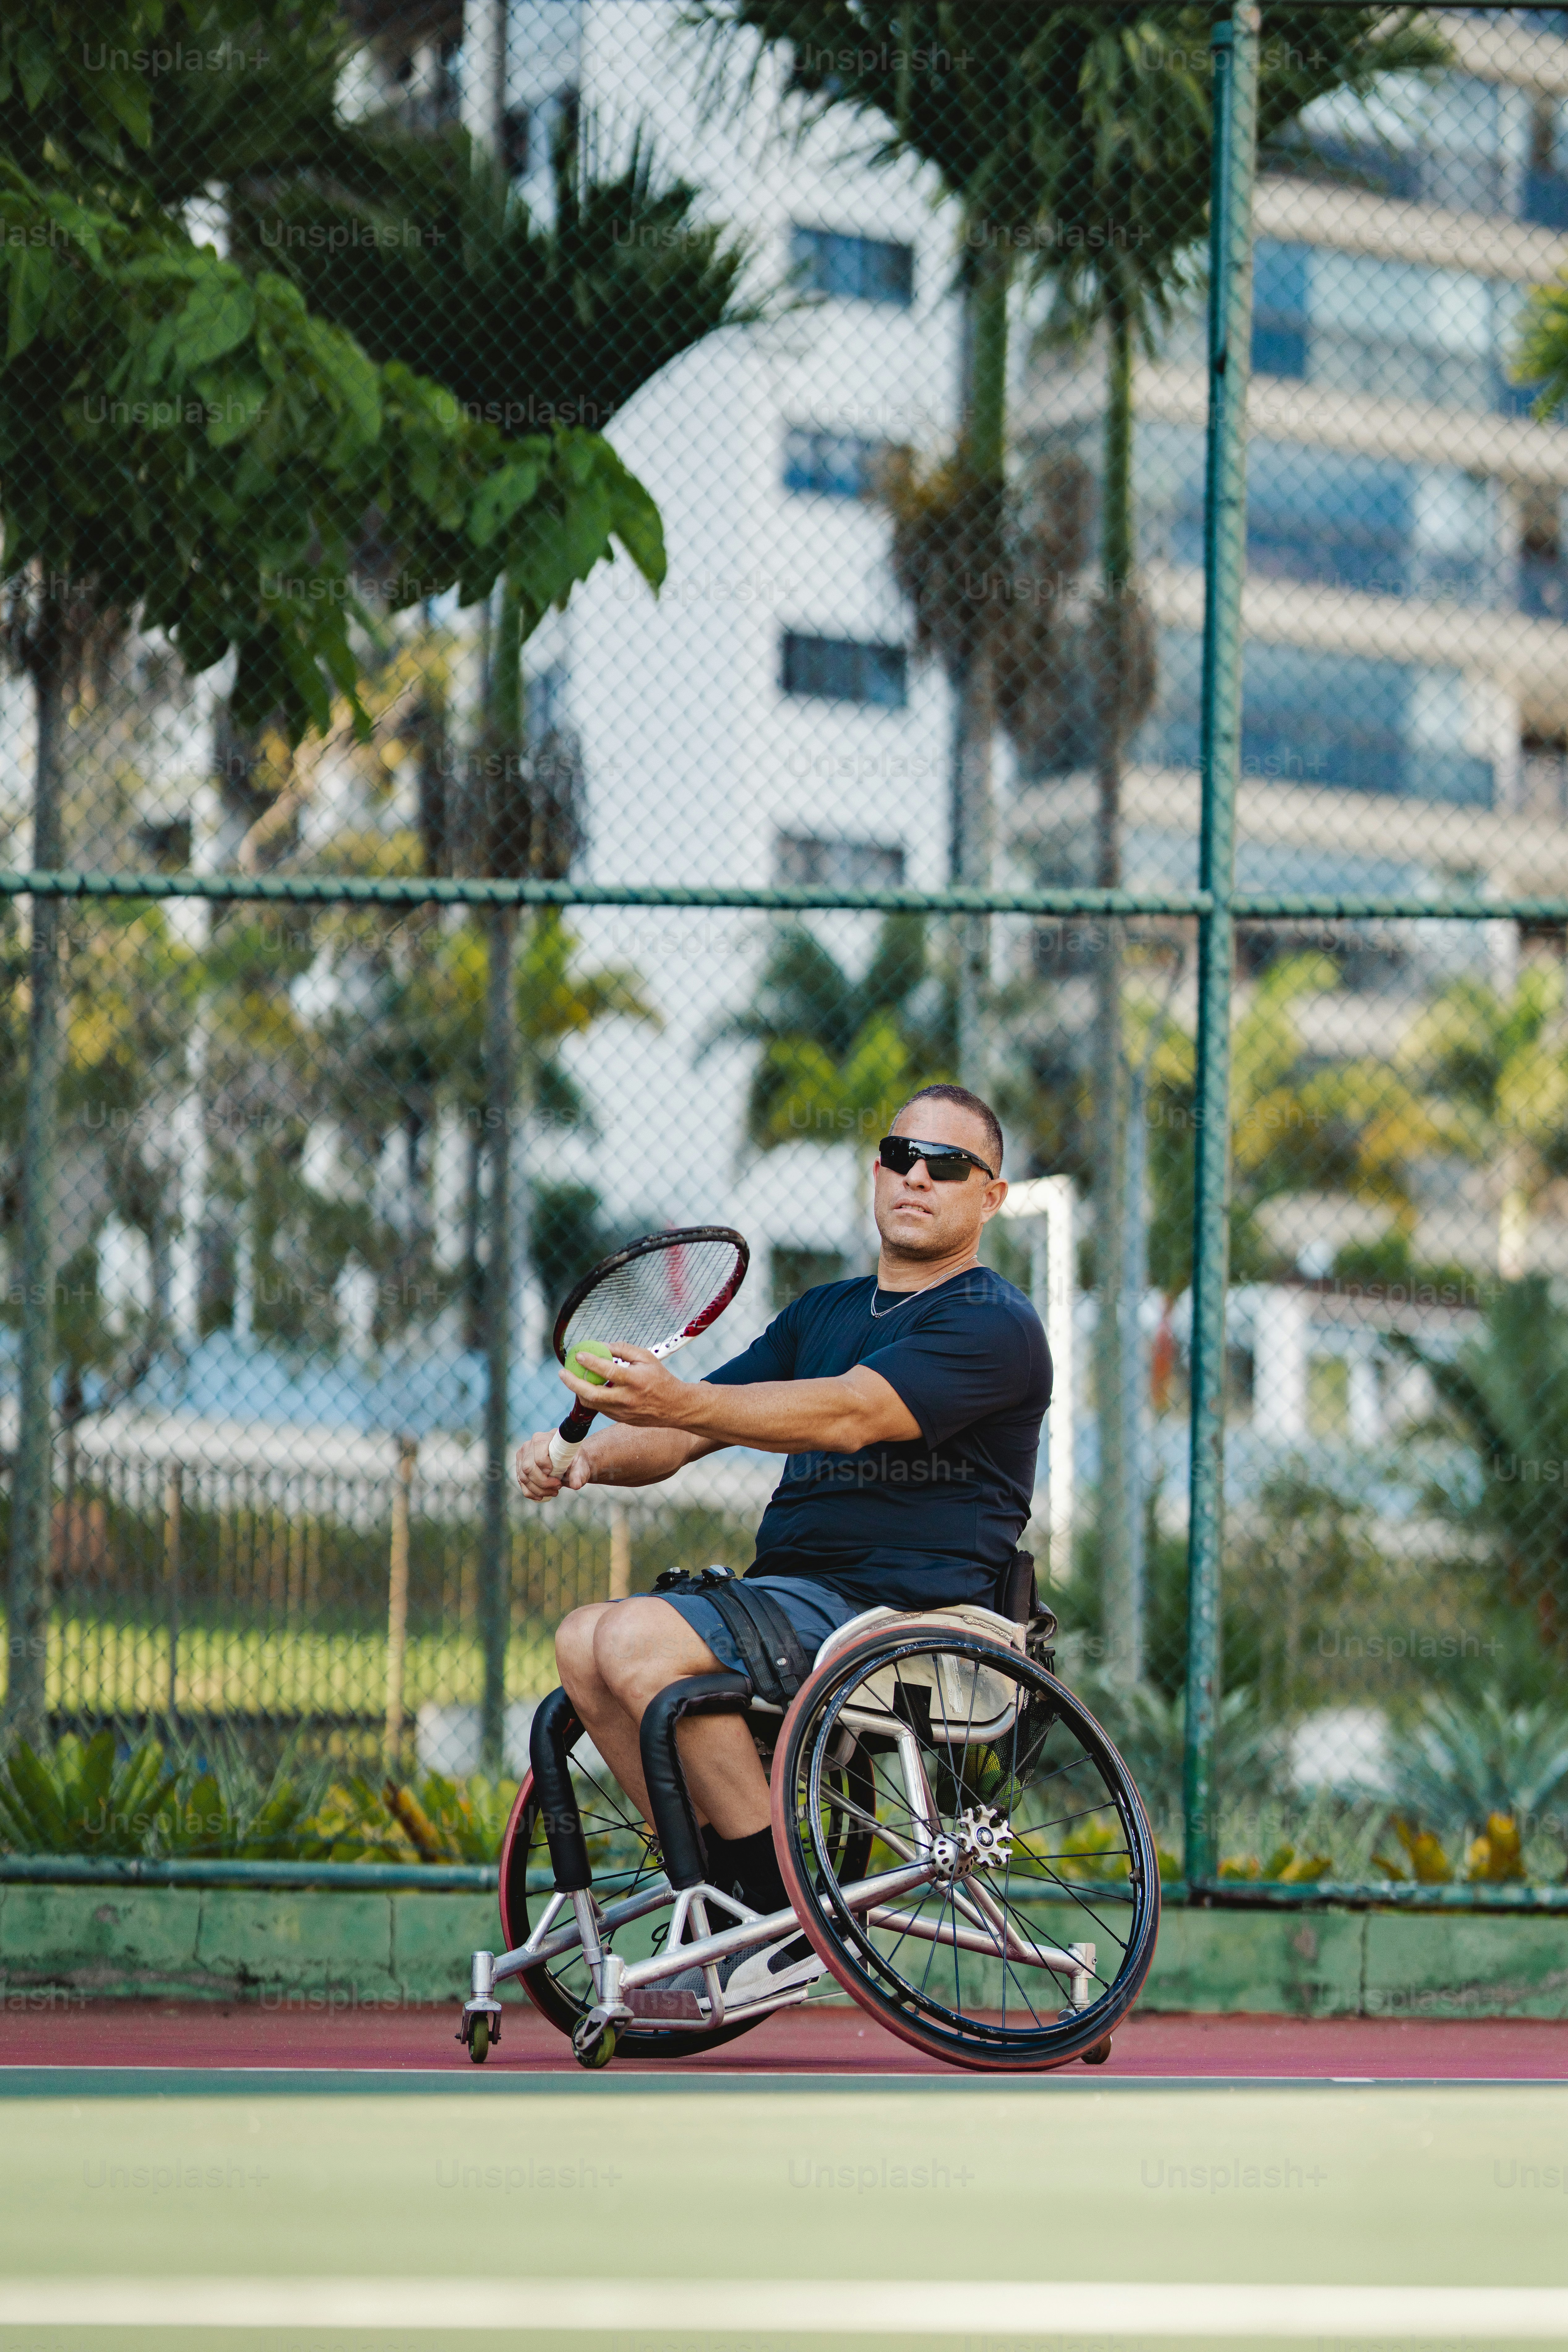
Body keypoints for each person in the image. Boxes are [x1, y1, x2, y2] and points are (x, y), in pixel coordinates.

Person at [513, 1081, 1051, 1994]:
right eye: (899, 1156)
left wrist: (681, 1397)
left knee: (641, 1637)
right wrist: (588, 1461)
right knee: (581, 1640)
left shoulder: (993, 1324)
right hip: (794, 1597)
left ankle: (774, 1916)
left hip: (909, 1614)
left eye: (949, 1165)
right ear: (874, 1173)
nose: (917, 1177)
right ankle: (734, 1895)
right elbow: (689, 1432)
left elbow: (850, 1412)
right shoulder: (822, 1312)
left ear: (990, 1196)